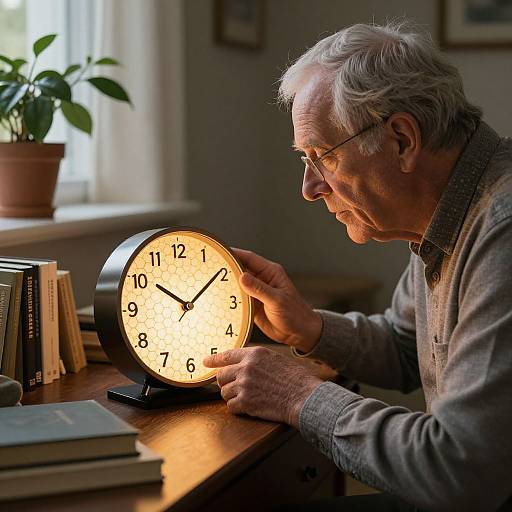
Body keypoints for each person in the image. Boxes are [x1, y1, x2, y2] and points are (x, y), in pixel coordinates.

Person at [203, 21, 512, 512]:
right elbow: (409, 346)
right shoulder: (448, 214)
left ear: (402, 139)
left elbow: (461, 469)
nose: (309, 188)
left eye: (320, 157)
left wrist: (298, 396)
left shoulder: (502, 230)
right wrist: (307, 326)